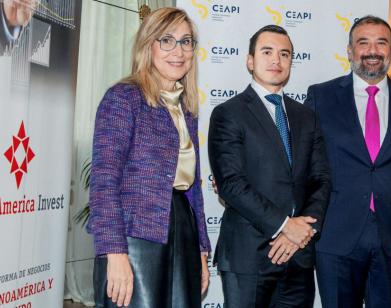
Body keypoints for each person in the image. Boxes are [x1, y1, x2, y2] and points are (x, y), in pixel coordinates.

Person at [305, 15, 391, 308]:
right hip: (335, 238)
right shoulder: (320, 97)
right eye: (363, 43)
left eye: (381, 43)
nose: (373, 50)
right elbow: (304, 167)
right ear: (350, 51)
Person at [87, 7, 211, 308]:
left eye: (186, 41)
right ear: (148, 45)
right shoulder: (123, 98)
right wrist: (114, 253)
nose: (178, 51)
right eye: (166, 40)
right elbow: (104, 182)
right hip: (135, 238)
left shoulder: (187, 108)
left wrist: (202, 250)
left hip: (182, 229)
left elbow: (192, 188)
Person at [208, 25, 331, 308]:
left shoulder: (306, 117)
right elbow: (231, 184)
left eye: (284, 54)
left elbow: (321, 179)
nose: (276, 60)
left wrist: (301, 232)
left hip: (299, 256)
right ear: (250, 61)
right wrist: (286, 226)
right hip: (248, 257)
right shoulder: (228, 113)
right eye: (267, 52)